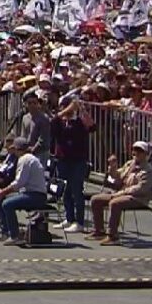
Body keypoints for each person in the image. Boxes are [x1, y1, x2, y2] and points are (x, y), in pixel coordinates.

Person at [87, 141, 152, 245]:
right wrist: (112, 167)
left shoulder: (148, 170)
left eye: (139, 151)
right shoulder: (129, 164)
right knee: (95, 200)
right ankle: (99, 230)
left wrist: (121, 193)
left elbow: (140, 189)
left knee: (115, 203)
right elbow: (117, 176)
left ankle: (113, 236)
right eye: (134, 150)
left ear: (146, 154)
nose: (136, 153)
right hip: (120, 193)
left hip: (138, 198)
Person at [0, 137, 49, 246]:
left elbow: (19, 182)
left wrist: (2, 192)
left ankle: (15, 236)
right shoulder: (28, 158)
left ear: (17, 149)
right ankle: (6, 232)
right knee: (1, 200)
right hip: (29, 193)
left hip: (36, 196)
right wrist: (3, 193)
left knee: (7, 204)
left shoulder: (25, 159)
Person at [51, 96, 96, 233]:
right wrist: (66, 110)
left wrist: (82, 109)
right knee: (66, 190)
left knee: (77, 190)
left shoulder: (79, 122)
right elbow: (52, 122)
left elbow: (92, 126)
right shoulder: (59, 122)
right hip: (63, 159)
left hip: (78, 160)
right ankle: (69, 218)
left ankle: (79, 222)